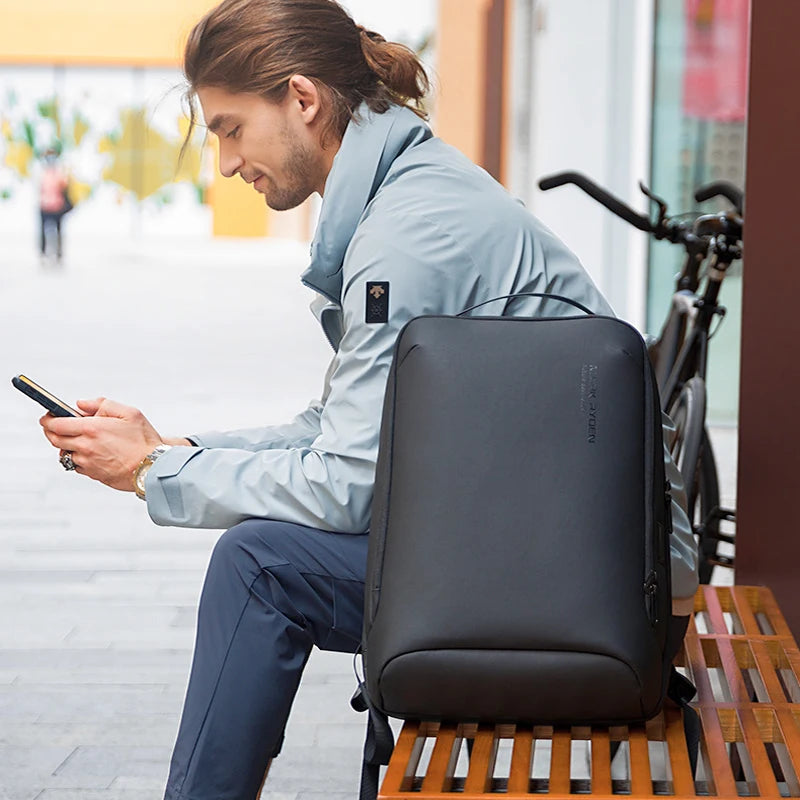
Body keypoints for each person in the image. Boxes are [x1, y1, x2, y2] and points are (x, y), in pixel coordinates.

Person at [39, 1, 700, 797]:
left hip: (598, 591)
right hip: (569, 553)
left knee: (259, 566)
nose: (223, 163)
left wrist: (155, 476)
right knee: (263, 556)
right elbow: (343, 430)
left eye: (230, 128)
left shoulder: (407, 232)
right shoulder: (404, 198)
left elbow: (349, 485)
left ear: (302, 99)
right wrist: (175, 450)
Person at [38, 148, 71, 262]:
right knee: (43, 231)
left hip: (57, 206)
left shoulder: (59, 173)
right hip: (44, 206)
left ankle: (58, 253)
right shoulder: (42, 172)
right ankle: (43, 253)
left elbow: (65, 187)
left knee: (58, 231)